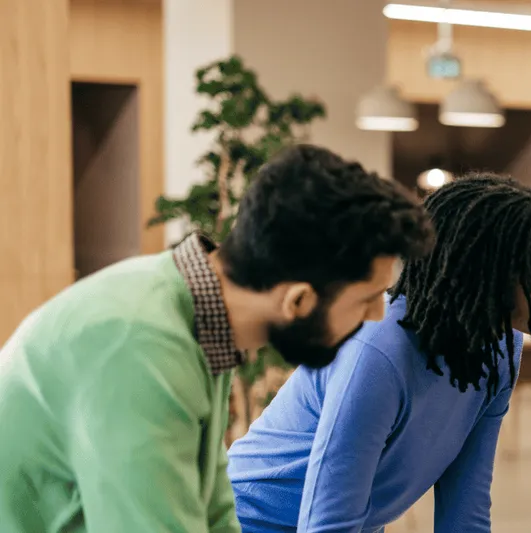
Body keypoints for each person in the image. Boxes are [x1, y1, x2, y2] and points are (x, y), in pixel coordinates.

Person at [0, 144, 433, 532]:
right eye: (367, 299)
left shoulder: (202, 321)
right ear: (298, 300)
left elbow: (215, 511)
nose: (378, 316)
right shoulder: (141, 348)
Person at [227, 175, 531, 532]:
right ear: (483, 275)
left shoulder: (500, 350)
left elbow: (465, 510)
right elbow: (330, 522)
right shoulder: (377, 350)